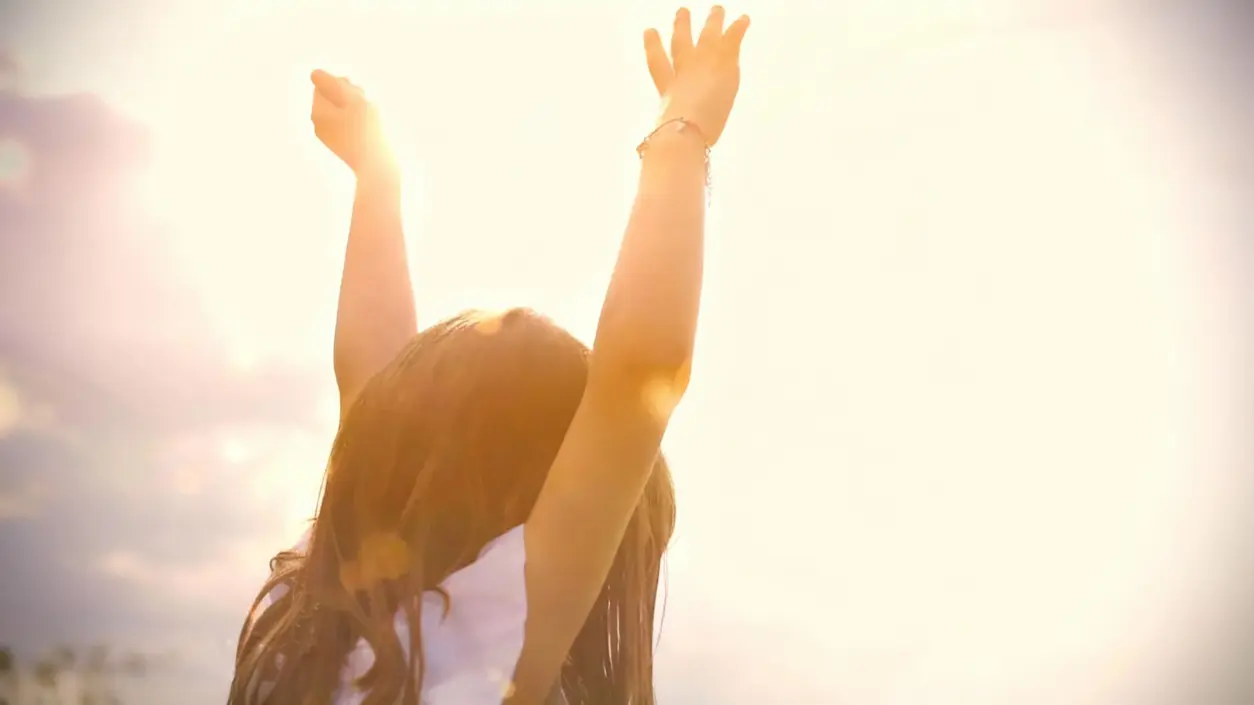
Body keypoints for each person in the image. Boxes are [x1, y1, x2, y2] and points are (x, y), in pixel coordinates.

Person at [226, 6, 750, 704]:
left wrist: (377, 176)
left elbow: (373, 395)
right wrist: (683, 133)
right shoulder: (462, 649)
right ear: (534, 490)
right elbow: (637, 375)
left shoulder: (311, 635)